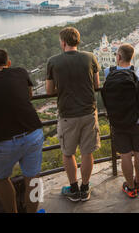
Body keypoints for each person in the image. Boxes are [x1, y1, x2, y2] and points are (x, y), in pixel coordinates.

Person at [0, 49, 44, 213]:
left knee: (0, 178)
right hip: (33, 131)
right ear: (8, 63)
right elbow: (29, 95)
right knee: (33, 179)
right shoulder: (20, 72)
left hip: (4, 138)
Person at [46, 27, 101, 202]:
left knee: (68, 153)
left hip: (67, 114)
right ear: (78, 41)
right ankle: (85, 188)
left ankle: (74, 188)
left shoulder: (53, 61)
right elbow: (97, 84)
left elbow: (49, 91)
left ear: (63, 42)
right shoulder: (90, 57)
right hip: (88, 112)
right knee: (87, 152)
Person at [104, 43, 139, 198]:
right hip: (138, 118)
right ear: (132, 57)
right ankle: (138, 181)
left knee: (125, 154)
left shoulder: (108, 72)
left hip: (118, 120)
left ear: (118, 57)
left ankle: (130, 187)